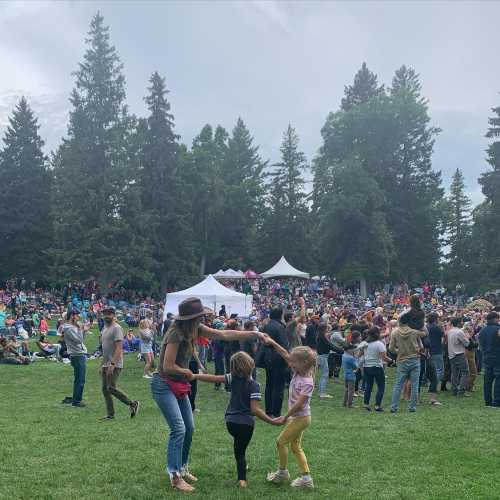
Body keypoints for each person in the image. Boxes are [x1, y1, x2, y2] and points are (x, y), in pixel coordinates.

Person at [151, 297, 265, 492]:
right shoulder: (175, 334)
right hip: (164, 384)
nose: (203, 319)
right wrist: (186, 372)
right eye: (200, 316)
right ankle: (175, 475)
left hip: (179, 384)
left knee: (189, 427)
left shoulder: (195, 329)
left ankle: (183, 467)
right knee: (178, 428)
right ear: (191, 318)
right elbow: (167, 366)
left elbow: (224, 334)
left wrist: (253, 333)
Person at [193, 351, 281, 488]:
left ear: (233, 367)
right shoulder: (254, 385)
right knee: (240, 451)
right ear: (251, 365)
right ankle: (242, 480)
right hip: (246, 425)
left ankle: (243, 467)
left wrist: (194, 375)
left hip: (231, 423)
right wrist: (272, 421)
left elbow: (213, 378)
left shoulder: (231, 378)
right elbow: (255, 410)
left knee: (239, 449)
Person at [263, 338, 317, 489]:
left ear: (303, 363)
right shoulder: (299, 371)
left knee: (280, 442)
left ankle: (283, 472)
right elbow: (285, 354)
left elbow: (300, 405)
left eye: (293, 362)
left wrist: (285, 416)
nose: (290, 364)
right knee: (295, 446)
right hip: (298, 417)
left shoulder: (307, 381)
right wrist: (272, 342)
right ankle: (306, 477)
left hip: (301, 418)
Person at [100, 306, 140, 420]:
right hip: (105, 363)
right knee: (105, 389)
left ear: (113, 315)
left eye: (109, 313)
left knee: (111, 387)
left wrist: (112, 364)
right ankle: (110, 414)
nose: (106, 316)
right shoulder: (104, 328)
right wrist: (102, 364)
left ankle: (132, 403)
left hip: (114, 363)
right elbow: (105, 348)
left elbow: (119, 348)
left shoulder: (117, 328)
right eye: (105, 313)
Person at [389, 313, 427, 413]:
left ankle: (394, 407)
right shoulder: (414, 332)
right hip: (414, 359)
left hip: (402, 360)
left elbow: (391, 348)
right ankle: (412, 407)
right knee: (415, 384)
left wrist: (399, 351)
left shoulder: (394, 332)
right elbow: (425, 333)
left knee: (398, 385)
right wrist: (420, 323)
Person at [262, 307, 290, 417]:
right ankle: (276, 412)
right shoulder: (280, 327)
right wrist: (288, 358)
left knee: (269, 385)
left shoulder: (267, 325)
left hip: (268, 358)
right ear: (280, 315)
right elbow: (283, 344)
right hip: (278, 358)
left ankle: (268, 411)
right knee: (278, 386)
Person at [61, 309, 88, 407]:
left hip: (79, 354)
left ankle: (76, 399)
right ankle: (77, 401)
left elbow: (81, 340)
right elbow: (78, 340)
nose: (78, 317)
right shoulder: (68, 328)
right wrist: (81, 329)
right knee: (80, 379)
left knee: (79, 379)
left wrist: (83, 331)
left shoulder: (71, 327)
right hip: (77, 355)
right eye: (77, 315)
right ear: (72, 316)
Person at [363, 327, 392, 412]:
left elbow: (360, 353)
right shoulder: (379, 344)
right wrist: (392, 360)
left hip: (367, 366)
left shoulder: (365, 343)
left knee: (368, 386)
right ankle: (377, 405)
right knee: (381, 386)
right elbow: (384, 358)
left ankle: (366, 404)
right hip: (377, 367)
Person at [479, 311, 500, 407]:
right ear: (496, 319)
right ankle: (496, 401)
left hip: (486, 357)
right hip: (497, 356)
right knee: (498, 379)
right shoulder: (498, 329)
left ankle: (487, 401)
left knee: (487, 380)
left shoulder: (482, 330)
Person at [447, 317, 470, 397]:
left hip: (451, 354)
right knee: (465, 372)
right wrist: (467, 336)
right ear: (458, 323)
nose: (462, 323)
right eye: (461, 322)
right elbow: (467, 343)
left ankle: (454, 390)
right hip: (459, 354)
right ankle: (461, 390)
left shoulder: (449, 331)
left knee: (454, 373)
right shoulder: (459, 332)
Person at [316, 322, 335, 399]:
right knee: (324, 374)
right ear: (324, 328)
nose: (328, 329)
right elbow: (329, 345)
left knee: (323, 374)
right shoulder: (322, 337)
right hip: (322, 356)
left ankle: (321, 392)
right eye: (327, 328)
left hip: (321, 356)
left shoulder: (320, 335)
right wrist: (340, 350)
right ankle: (322, 393)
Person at [427, 312, 444, 383]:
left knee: (431, 369)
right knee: (439, 369)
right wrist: (442, 327)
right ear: (435, 319)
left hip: (428, 349)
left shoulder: (426, 326)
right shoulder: (436, 327)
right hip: (437, 350)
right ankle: (433, 385)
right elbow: (443, 335)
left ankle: (430, 383)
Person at [342, 344, 358, 408]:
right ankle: (350, 404)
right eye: (352, 349)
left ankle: (344, 403)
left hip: (346, 374)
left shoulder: (344, 355)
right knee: (351, 390)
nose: (353, 350)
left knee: (346, 389)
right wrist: (355, 358)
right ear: (348, 350)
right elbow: (356, 366)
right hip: (351, 375)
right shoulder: (351, 358)